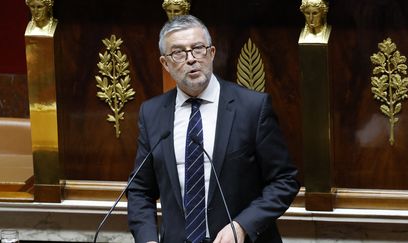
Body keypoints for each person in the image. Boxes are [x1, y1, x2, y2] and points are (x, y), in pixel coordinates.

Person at [127, 15, 300, 243]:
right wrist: (147, 238)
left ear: (211, 53)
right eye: (178, 53)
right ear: (165, 64)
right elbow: (140, 189)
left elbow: (285, 180)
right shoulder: (152, 114)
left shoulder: (252, 108)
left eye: (198, 49)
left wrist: (242, 225)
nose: (191, 59)